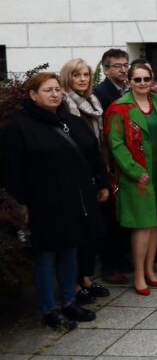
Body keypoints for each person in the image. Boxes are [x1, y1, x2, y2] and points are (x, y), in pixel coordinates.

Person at [3, 72, 109, 329]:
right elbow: (10, 171)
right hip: (42, 203)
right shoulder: (20, 127)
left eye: (57, 90)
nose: (54, 94)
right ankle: (49, 309)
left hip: (74, 199)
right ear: (33, 95)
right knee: (47, 255)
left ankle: (70, 302)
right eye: (48, 90)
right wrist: (22, 204)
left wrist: (102, 181)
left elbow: (92, 154)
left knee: (70, 251)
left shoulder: (70, 121)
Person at [105, 63, 157, 296]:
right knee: (142, 225)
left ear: (152, 80)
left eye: (146, 79)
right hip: (137, 176)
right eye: (137, 80)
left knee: (154, 223)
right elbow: (115, 144)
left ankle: (151, 270)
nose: (142, 84)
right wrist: (134, 170)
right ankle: (139, 275)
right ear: (129, 82)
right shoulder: (119, 108)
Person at [58, 59, 110, 303]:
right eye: (76, 75)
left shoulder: (93, 102)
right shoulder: (65, 105)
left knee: (92, 232)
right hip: (75, 177)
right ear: (67, 77)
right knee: (79, 232)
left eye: (86, 75)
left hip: (94, 172)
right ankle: (76, 283)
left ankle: (87, 278)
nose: (82, 79)